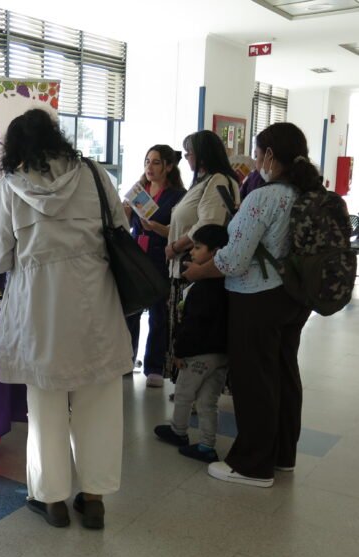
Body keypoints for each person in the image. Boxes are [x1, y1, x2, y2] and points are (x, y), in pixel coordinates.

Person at [0, 108, 131, 530]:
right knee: (98, 400)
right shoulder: (95, 175)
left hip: (38, 310)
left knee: (45, 405)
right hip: (94, 302)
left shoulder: (10, 186)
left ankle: (52, 501)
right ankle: (95, 498)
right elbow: (119, 227)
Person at [183, 122, 315, 488]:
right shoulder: (305, 193)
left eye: (258, 154)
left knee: (254, 379)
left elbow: (233, 260)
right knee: (283, 374)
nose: (255, 161)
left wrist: (200, 270)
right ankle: (282, 454)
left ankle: (253, 464)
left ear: (270, 155)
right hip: (293, 297)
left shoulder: (264, 197)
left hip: (257, 297)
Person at [164, 130, 240, 383]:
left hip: (197, 268)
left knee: (195, 331)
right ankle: (188, 388)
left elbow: (208, 223)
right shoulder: (204, 181)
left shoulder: (218, 180)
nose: (186, 158)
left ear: (203, 155)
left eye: (189, 153)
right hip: (183, 266)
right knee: (182, 328)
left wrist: (176, 246)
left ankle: (195, 390)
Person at [154, 224, 229, 463]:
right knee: (209, 402)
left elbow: (192, 324)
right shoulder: (228, 285)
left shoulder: (202, 288)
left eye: (198, 248)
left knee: (185, 393)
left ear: (216, 252)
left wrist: (180, 353)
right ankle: (207, 445)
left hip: (197, 354)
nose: (193, 252)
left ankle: (178, 431)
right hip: (221, 354)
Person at [122, 145, 186, 387]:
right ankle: (127, 358)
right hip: (136, 255)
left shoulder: (178, 195)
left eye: (156, 162)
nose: (149, 167)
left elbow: (180, 230)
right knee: (132, 311)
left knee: (159, 313)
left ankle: (154, 366)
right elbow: (125, 223)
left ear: (169, 166)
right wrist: (125, 211)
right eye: (147, 161)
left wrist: (155, 228)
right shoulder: (139, 191)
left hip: (161, 256)